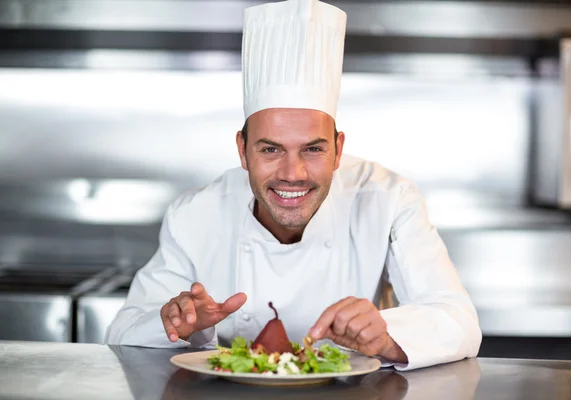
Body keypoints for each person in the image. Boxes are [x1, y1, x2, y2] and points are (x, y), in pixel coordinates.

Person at [105, 0, 482, 371]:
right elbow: (122, 332)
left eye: (313, 149)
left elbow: (459, 322)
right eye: (271, 149)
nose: (293, 173)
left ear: (338, 150)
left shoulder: (387, 198)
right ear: (242, 150)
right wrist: (179, 324)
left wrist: (386, 336)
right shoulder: (195, 215)